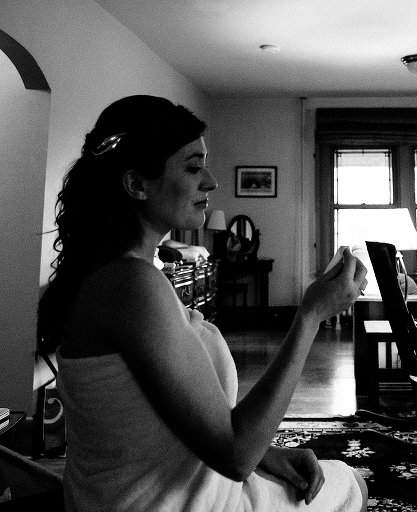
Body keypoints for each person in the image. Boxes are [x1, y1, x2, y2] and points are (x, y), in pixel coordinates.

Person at [37, 95, 369, 512]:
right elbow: (234, 455)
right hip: (174, 504)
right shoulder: (132, 286)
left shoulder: (121, 275)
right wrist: (311, 315)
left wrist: (268, 456)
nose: (211, 181)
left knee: (339, 477)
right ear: (137, 183)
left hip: (163, 492)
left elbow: (163, 416)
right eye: (193, 167)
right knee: (353, 482)